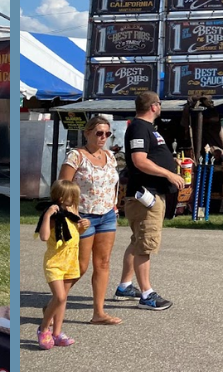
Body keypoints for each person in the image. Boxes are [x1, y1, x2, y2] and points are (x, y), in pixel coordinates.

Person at [114, 91, 182, 312]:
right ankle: (147, 294)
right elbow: (139, 160)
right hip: (146, 195)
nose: (160, 107)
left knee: (137, 241)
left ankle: (125, 286)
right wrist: (169, 174)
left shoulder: (147, 128)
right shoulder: (139, 127)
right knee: (145, 244)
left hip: (150, 193)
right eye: (159, 104)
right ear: (154, 106)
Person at [58, 115, 121, 326]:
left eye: (107, 134)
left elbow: (113, 184)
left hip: (107, 215)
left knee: (103, 263)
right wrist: (71, 214)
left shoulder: (110, 157)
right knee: (80, 266)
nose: (103, 137)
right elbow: (62, 186)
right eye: (99, 133)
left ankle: (99, 313)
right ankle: (55, 304)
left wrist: (114, 204)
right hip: (83, 216)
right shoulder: (76, 156)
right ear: (87, 133)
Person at [35, 179, 86, 350]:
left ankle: (57, 333)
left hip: (70, 261)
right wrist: (48, 215)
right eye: (66, 196)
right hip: (54, 262)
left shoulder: (73, 213)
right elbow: (43, 237)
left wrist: (83, 226)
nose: (69, 200)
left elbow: (74, 233)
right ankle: (43, 329)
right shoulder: (53, 214)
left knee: (63, 300)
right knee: (60, 297)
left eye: (72, 196)